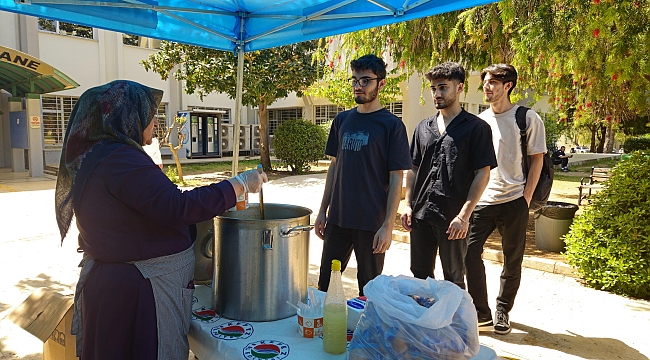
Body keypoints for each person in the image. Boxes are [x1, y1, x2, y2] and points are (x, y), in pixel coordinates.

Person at [54, 80, 267, 360]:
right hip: (138, 293)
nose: (156, 121)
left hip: (118, 284)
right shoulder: (120, 159)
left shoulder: (98, 155)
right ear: (126, 116)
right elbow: (177, 207)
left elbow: (154, 202)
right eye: (150, 113)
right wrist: (237, 185)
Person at [315, 54, 412, 296]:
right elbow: (334, 168)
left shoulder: (392, 126)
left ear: (381, 83)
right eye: (355, 80)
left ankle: (366, 333)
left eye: (365, 80)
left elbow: (396, 177)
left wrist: (388, 226)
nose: (358, 86)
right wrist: (322, 210)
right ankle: (324, 331)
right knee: (326, 286)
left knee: (369, 290)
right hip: (338, 218)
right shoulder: (342, 120)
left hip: (371, 223)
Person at [465, 64, 547, 335]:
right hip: (484, 200)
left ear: (508, 85)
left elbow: (537, 160)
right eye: (485, 82)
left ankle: (502, 309)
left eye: (493, 83)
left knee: (512, 260)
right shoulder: (481, 121)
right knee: (468, 254)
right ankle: (482, 312)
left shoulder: (527, 118)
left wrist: (526, 198)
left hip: (514, 200)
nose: (487, 87)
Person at [400, 62, 497, 289]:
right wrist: (407, 205)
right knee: (420, 274)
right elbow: (413, 169)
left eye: (443, 87)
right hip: (421, 215)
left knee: (453, 277)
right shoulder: (423, 127)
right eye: (433, 89)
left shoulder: (477, 128)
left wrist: (464, 216)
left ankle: (453, 324)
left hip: (453, 218)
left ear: (460, 87)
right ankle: (425, 322)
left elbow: (482, 174)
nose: (437, 94)